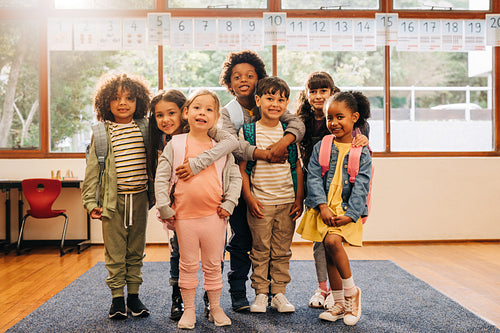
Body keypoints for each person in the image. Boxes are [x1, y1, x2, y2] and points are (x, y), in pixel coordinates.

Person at [219, 50, 305, 311]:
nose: (243, 79)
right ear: (229, 82)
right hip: (243, 188)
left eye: (249, 75)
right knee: (245, 242)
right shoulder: (229, 114)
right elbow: (233, 146)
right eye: (237, 76)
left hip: (280, 195)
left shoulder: (279, 112)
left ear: (258, 80)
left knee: (277, 247)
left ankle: (275, 293)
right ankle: (240, 292)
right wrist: (265, 153)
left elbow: (298, 127)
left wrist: (284, 142)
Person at [146, 89, 238, 321]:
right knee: (186, 265)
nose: (202, 113)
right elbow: (161, 177)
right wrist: (164, 207)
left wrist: (229, 202)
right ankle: (188, 310)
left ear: (216, 118)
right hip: (184, 218)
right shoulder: (175, 144)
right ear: (186, 112)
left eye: (209, 110)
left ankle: (215, 308)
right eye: (197, 108)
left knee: (213, 265)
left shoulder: (220, 147)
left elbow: (235, 177)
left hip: (214, 218)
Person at [297, 91, 372, 326]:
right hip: (324, 209)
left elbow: (362, 185)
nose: (334, 123)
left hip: (346, 211)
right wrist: (321, 206)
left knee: (331, 243)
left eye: (340, 117)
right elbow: (314, 179)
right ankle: (338, 302)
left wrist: (350, 215)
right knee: (329, 253)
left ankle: (351, 293)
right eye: (330, 118)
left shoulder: (362, 151)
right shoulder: (323, 145)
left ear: (354, 117)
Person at [82, 72, 153, 319]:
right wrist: (90, 202)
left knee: (135, 250)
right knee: (115, 252)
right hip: (112, 203)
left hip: (140, 198)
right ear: (105, 103)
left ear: (139, 101)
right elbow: (92, 171)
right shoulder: (102, 133)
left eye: (129, 98)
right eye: (115, 98)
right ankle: (117, 299)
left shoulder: (145, 127)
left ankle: (134, 297)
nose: (122, 103)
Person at [238, 76, 304, 313]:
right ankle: (260, 294)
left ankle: (279, 293)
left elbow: (296, 167)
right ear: (258, 100)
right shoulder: (248, 132)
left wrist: (298, 199)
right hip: (260, 203)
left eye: (281, 99)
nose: (275, 103)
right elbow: (242, 170)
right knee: (260, 250)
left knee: (282, 250)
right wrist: (249, 198)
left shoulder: (289, 133)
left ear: (286, 104)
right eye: (269, 98)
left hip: (287, 202)